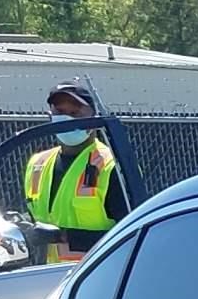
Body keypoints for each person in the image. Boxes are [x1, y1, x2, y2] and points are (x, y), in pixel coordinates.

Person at [22, 85, 125, 260]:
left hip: (97, 274)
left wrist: (62, 237)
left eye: (75, 113)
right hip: (46, 278)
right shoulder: (37, 164)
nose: (67, 119)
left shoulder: (111, 166)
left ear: (93, 117)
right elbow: (39, 216)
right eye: (60, 112)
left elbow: (129, 234)